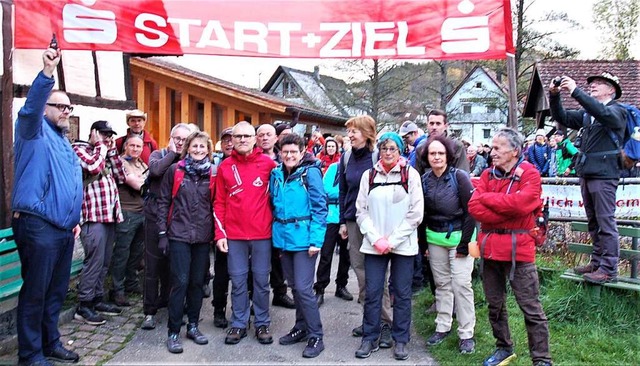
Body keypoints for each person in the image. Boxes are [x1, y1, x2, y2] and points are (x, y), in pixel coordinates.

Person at [11, 47, 83, 366]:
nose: (66, 110)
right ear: (46, 108)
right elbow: (30, 109)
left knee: (55, 293)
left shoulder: (62, 140)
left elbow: (66, 186)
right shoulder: (33, 130)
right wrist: (47, 74)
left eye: (69, 106)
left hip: (62, 229)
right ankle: (30, 354)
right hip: (38, 225)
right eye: (60, 105)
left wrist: (73, 218)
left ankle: (50, 342)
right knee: (36, 293)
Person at [468, 128, 552, 366]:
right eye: (492, 147)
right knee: (495, 304)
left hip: (520, 251)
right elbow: (475, 208)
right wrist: (505, 210)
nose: (492, 152)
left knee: (531, 307)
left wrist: (488, 201)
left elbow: (522, 205)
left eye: (497, 148)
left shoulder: (530, 174)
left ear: (514, 150)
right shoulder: (486, 175)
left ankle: (542, 359)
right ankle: (503, 348)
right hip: (491, 249)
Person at [549, 72, 627, 284]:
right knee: (594, 222)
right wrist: (554, 95)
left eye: (599, 84)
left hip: (605, 175)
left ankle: (608, 268)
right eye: (591, 84)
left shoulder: (617, 112)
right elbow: (562, 118)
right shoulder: (588, 115)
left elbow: (601, 112)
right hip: (588, 173)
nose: (593, 86)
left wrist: (575, 91)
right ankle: (597, 262)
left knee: (605, 221)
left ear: (612, 90)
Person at [354, 132, 424, 360]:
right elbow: (361, 211)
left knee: (402, 294)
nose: (388, 152)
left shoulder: (410, 175)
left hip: (403, 245)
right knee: (372, 292)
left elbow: (416, 214)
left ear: (400, 150)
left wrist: (391, 241)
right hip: (374, 244)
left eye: (392, 148)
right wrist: (376, 239)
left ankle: (401, 339)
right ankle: (369, 337)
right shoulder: (369, 175)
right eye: (384, 148)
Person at [215, 121, 277, 345]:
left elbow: (278, 199)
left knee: (261, 281)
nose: (242, 140)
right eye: (237, 136)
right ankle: (239, 323)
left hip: (262, 235)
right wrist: (220, 234)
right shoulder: (225, 167)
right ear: (232, 139)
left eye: (246, 136)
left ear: (255, 139)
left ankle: (262, 322)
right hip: (234, 235)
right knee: (239, 281)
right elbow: (219, 203)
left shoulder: (269, 165)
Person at [270, 134, 328, 358]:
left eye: (294, 151)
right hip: (284, 239)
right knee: (294, 287)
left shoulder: (310, 173)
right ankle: (301, 327)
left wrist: (316, 240)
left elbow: (319, 208)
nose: (289, 155)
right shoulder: (276, 174)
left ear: (302, 152)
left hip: (305, 240)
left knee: (304, 289)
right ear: (280, 152)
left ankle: (316, 335)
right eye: (285, 151)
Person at [156, 131, 215, 353]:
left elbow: (216, 204)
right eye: (194, 146)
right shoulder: (175, 171)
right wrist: (162, 233)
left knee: (197, 283)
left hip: (202, 236)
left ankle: (193, 325)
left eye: (202, 147)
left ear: (208, 149)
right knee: (179, 282)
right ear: (187, 148)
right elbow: (163, 201)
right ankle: (173, 331)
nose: (199, 150)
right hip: (178, 234)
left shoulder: (213, 173)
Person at [338, 115, 393, 348]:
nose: (350, 135)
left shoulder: (376, 158)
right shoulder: (346, 157)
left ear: (367, 133)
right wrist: (342, 221)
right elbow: (343, 190)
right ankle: (369, 319)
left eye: (355, 131)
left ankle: (386, 323)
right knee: (360, 272)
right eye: (349, 131)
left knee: (379, 275)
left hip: (376, 223)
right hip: (353, 221)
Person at [420, 135, 476, 354]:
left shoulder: (460, 177)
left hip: (462, 238)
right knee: (442, 284)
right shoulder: (424, 180)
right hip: (434, 238)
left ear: (448, 156)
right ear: (427, 156)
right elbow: (422, 215)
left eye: (440, 153)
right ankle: (442, 326)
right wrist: (424, 244)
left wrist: (464, 245)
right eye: (432, 153)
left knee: (462, 285)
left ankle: (466, 333)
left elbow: (472, 212)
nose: (436, 157)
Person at [72, 121, 126, 325]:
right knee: (94, 261)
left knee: (104, 261)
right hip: (91, 215)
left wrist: (111, 152)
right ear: (93, 133)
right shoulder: (80, 149)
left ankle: (96, 298)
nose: (107, 138)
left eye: (109, 134)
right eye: (103, 134)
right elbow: (93, 167)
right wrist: (101, 148)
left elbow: (120, 176)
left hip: (109, 214)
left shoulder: (105, 153)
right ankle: (84, 305)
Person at [141, 123, 193, 330]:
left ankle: (175, 307)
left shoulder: (192, 160)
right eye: (177, 138)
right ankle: (149, 311)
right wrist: (172, 154)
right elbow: (155, 171)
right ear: (171, 138)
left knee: (176, 268)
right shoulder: (158, 154)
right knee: (152, 266)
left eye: (184, 139)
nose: (180, 142)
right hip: (154, 218)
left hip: (179, 221)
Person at [256, 124, 296, 309]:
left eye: (268, 135)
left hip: (280, 217)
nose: (264, 138)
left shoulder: (284, 158)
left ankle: (280, 292)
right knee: (257, 262)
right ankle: (254, 298)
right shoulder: (251, 158)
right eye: (261, 135)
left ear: (276, 138)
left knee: (279, 258)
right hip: (258, 217)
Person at [109, 136, 148, 307]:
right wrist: (143, 181)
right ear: (125, 147)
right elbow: (139, 185)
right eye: (132, 145)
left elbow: (148, 183)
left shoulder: (141, 164)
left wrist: (143, 180)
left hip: (142, 213)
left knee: (137, 251)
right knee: (122, 253)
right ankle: (117, 289)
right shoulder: (120, 163)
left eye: (138, 146)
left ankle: (131, 283)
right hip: (126, 213)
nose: (135, 148)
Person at [313, 159, 353, 305]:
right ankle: (320, 288)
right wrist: (344, 194)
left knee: (346, 255)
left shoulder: (355, 170)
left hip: (348, 218)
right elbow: (325, 190)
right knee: (326, 254)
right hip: (331, 217)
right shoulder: (334, 168)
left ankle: (341, 286)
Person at [212, 127, 234, 328]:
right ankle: (218, 309)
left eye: (231, 139)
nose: (229, 143)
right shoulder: (214, 165)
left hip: (241, 229)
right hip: (220, 225)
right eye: (225, 140)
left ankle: (240, 309)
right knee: (221, 272)